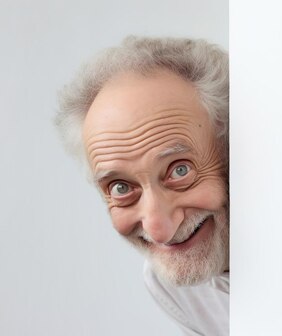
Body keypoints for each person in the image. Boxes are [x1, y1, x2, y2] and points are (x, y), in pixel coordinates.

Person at [55, 36, 230, 336]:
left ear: (230, 153)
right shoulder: (167, 282)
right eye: (121, 188)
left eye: (180, 170)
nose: (160, 230)